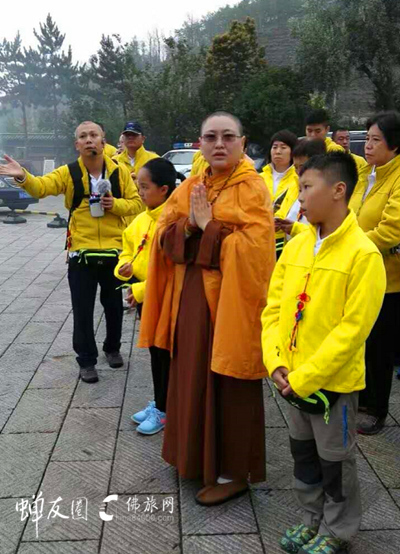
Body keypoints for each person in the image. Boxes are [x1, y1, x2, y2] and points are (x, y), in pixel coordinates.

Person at [138, 111, 275, 506]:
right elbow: (163, 232)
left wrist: (209, 226)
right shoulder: (193, 184)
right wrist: (192, 228)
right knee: (191, 373)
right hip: (191, 298)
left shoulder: (252, 188)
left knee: (230, 380)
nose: (219, 143)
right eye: (210, 136)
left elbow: (255, 252)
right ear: (199, 143)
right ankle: (192, 456)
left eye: (228, 136)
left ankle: (234, 472)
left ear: (242, 142)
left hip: (231, 303)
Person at [262, 152, 386, 554]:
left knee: (335, 462)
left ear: (338, 191)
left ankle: (337, 530)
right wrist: (276, 361)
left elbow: (353, 331)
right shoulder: (297, 246)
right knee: (304, 457)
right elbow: (274, 309)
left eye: (306, 188)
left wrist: (307, 377)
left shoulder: (363, 255)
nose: (299, 198)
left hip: (332, 386)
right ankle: (310, 519)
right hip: (291, 380)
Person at [0, 121, 142, 384]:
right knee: (83, 309)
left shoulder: (120, 172)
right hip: (81, 253)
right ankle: (86, 360)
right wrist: (22, 176)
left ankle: (112, 348)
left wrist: (115, 204)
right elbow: (41, 187)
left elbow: (136, 202)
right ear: (77, 144)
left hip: (114, 251)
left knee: (113, 307)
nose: (89, 140)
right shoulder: (68, 172)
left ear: (103, 141)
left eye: (94, 135)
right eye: (83, 136)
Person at [114, 158, 176, 435]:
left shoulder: (174, 221)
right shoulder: (141, 219)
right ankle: (161, 402)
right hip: (145, 297)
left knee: (165, 354)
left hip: (166, 298)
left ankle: (165, 408)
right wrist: (123, 269)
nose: (140, 192)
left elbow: (174, 270)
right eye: (138, 186)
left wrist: (139, 290)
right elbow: (126, 250)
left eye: (144, 187)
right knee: (155, 353)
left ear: (164, 189)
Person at [349, 111, 400, 435]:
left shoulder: (396, 178)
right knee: (361, 339)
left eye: (375, 140)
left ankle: (375, 408)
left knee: (380, 345)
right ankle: (359, 397)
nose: (367, 145)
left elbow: (391, 229)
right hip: (358, 274)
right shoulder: (366, 174)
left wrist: (350, 248)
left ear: (394, 145)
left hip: (388, 279)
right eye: (366, 139)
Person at [274, 139, 326, 257]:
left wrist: (295, 228)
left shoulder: (325, 194)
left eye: (302, 166)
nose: (298, 172)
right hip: (292, 254)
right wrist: (278, 222)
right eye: (295, 167)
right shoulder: (294, 186)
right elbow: (284, 211)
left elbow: (324, 234)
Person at [260, 130, 298, 208]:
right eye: (274, 147)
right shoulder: (259, 178)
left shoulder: (298, 179)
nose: (278, 151)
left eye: (283, 147)